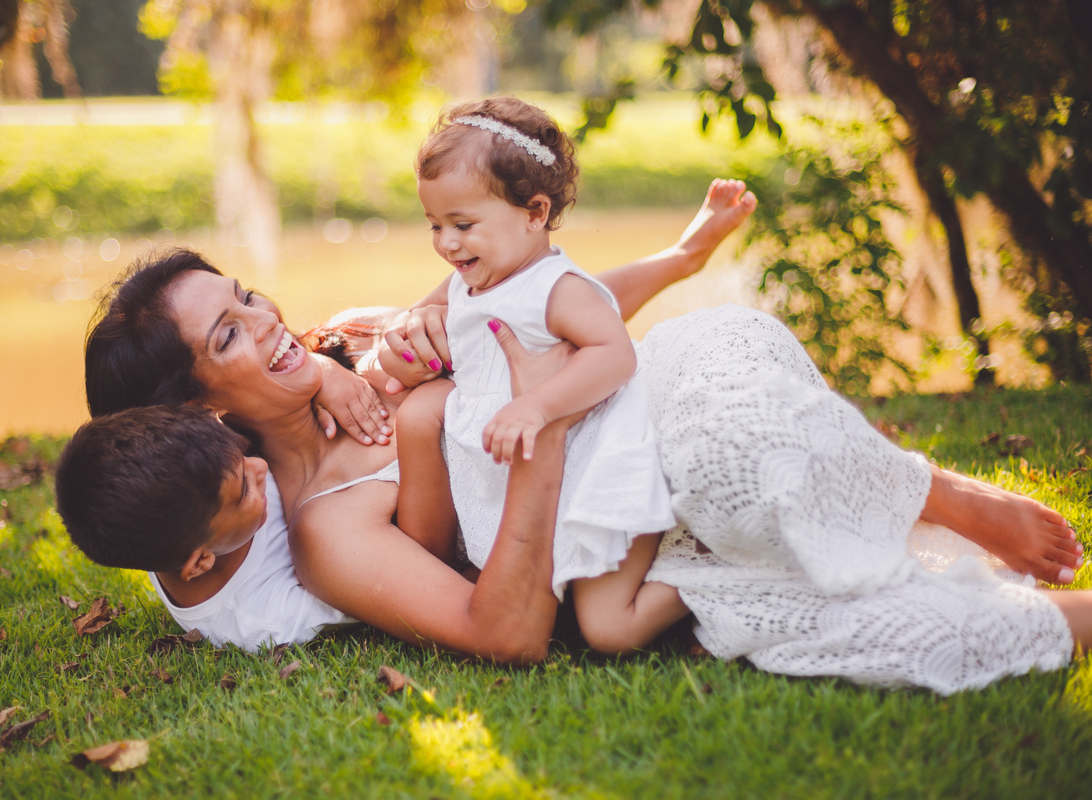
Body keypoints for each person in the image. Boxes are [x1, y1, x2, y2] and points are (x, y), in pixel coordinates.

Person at [82, 169, 1088, 692]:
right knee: (789, 601)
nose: (265, 319)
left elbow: (547, 309)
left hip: (666, 396)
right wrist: (540, 429)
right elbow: (504, 630)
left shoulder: (359, 341)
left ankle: (935, 492)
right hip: (615, 508)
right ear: (200, 406)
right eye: (228, 332)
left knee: (730, 458)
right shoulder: (330, 532)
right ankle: (1037, 599)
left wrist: (680, 260)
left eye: (247, 294)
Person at [393, 97, 686, 652]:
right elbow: (419, 321)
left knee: (609, 628)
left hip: (597, 462)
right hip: (536, 475)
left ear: (534, 213)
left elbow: (615, 353)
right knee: (575, 612)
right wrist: (408, 331)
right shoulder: (468, 282)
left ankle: (713, 573)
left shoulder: (554, 287)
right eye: (434, 225)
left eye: (462, 224)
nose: (446, 244)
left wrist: (538, 405)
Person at [54, 404, 354, 648]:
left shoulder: (177, 510)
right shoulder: (263, 617)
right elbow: (367, 579)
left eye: (244, 452)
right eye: (244, 489)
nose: (260, 466)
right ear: (200, 562)